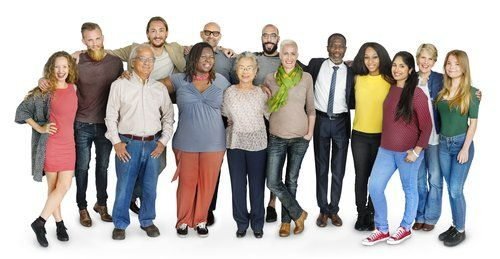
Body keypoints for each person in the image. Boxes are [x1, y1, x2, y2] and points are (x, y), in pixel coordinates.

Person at [40, 22, 124, 227]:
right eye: (90, 40)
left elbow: (122, 87)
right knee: (82, 167)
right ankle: (82, 207)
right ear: (83, 41)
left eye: (98, 38)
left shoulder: (115, 62)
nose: (94, 44)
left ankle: (101, 204)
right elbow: (57, 73)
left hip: (105, 125)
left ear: (103, 37)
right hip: (81, 124)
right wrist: (43, 79)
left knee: (103, 167)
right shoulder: (75, 61)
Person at [107, 16, 185, 214]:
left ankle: (145, 215)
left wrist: (163, 141)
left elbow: (199, 50)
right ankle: (122, 217)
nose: (157, 34)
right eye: (153, 30)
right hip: (130, 129)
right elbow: (110, 54)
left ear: (167, 33)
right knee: (125, 182)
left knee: (156, 171)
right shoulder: (132, 57)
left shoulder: (174, 49)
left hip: (156, 111)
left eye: (161, 30)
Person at [105, 44, 174, 240]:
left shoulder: (159, 88)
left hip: (153, 144)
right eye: (142, 59)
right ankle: (120, 223)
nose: (146, 63)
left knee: (150, 186)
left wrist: (163, 142)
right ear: (133, 62)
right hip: (128, 143)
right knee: (124, 185)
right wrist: (116, 142)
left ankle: (147, 221)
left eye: (150, 60)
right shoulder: (119, 85)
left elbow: (168, 117)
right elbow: (111, 116)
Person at [362, 51, 432, 246]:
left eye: (402, 66)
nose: (397, 69)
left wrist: (416, 151)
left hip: (408, 152)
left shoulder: (417, 94)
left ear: (410, 70)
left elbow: (427, 126)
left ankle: (406, 227)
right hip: (385, 150)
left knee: (409, 189)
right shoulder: (391, 88)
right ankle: (382, 229)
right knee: (374, 186)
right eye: (394, 65)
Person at [160, 42, 230, 237]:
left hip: (214, 143)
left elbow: (239, 92)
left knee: (208, 183)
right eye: (203, 56)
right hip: (186, 141)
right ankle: (182, 221)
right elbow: (152, 87)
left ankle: (201, 220)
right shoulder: (179, 79)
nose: (208, 60)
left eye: (211, 57)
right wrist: (128, 76)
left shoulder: (221, 81)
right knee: (187, 183)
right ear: (194, 58)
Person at [16, 51, 78, 247]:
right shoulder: (45, 90)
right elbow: (21, 111)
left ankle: (40, 222)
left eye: (65, 67)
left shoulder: (73, 88)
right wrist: (41, 127)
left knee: (64, 187)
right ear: (51, 68)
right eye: (57, 67)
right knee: (53, 189)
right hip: (51, 144)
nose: (61, 71)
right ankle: (59, 224)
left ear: (70, 69)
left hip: (69, 144)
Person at [264, 40, 315, 237]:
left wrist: (309, 133)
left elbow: (311, 108)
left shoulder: (306, 78)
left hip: (300, 137)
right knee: (273, 181)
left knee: (291, 180)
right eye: (286, 53)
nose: (289, 58)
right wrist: (262, 90)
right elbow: (266, 105)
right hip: (276, 136)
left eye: (293, 54)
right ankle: (299, 213)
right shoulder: (270, 78)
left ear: (297, 55)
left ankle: (286, 222)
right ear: (280, 55)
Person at [304, 33, 355, 228]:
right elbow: (293, 64)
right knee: (321, 167)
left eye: (340, 46)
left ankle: (334, 210)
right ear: (327, 47)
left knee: (339, 170)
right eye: (333, 45)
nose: (337, 49)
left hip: (342, 122)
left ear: (345, 49)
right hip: (320, 121)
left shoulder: (351, 71)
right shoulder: (316, 64)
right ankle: (323, 210)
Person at [222, 52, 269, 238]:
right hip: (235, 144)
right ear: (236, 70)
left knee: (257, 187)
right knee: (238, 186)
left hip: (258, 144)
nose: (245, 71)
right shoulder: (229, 92)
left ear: (256, 71)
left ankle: (257, 223)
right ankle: (241, 223)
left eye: (250, 68)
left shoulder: (262, 93)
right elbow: (225, 116)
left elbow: (270, 115)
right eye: (242, 67)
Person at [436, 50, 479, 247]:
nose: (452, 67)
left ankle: (461, 229)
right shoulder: (442, 91)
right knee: (450, 188)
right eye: (449, 63)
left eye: (457, 64)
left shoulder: (472, 92)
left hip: (462, 144)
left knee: (455, 189)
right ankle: (454, 224)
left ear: (464, 68)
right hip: (443, 145)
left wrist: (465, 148)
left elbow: (473, 124)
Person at [350, 42, 393, 231]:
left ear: (382, 57)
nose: (371, 61)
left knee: (376, 179)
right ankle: (361, 215)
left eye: (375, 57)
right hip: (359, 135)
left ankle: (372, 213)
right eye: (366, 57)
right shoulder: (357, 78)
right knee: (361, 177)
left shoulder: (390, 79)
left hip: (382, 138)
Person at [412, 43, 444, 232]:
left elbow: (460, 84)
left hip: (435, 138)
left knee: (434, 178)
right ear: (417, 59)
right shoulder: (410, 79)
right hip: (416, 139)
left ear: (434, 61)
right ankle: (419, 215)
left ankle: (431, 217)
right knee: (418, 180)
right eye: (422, 57)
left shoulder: (441, 79)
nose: (425, 62)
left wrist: (476, 93)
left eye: (430, 59)